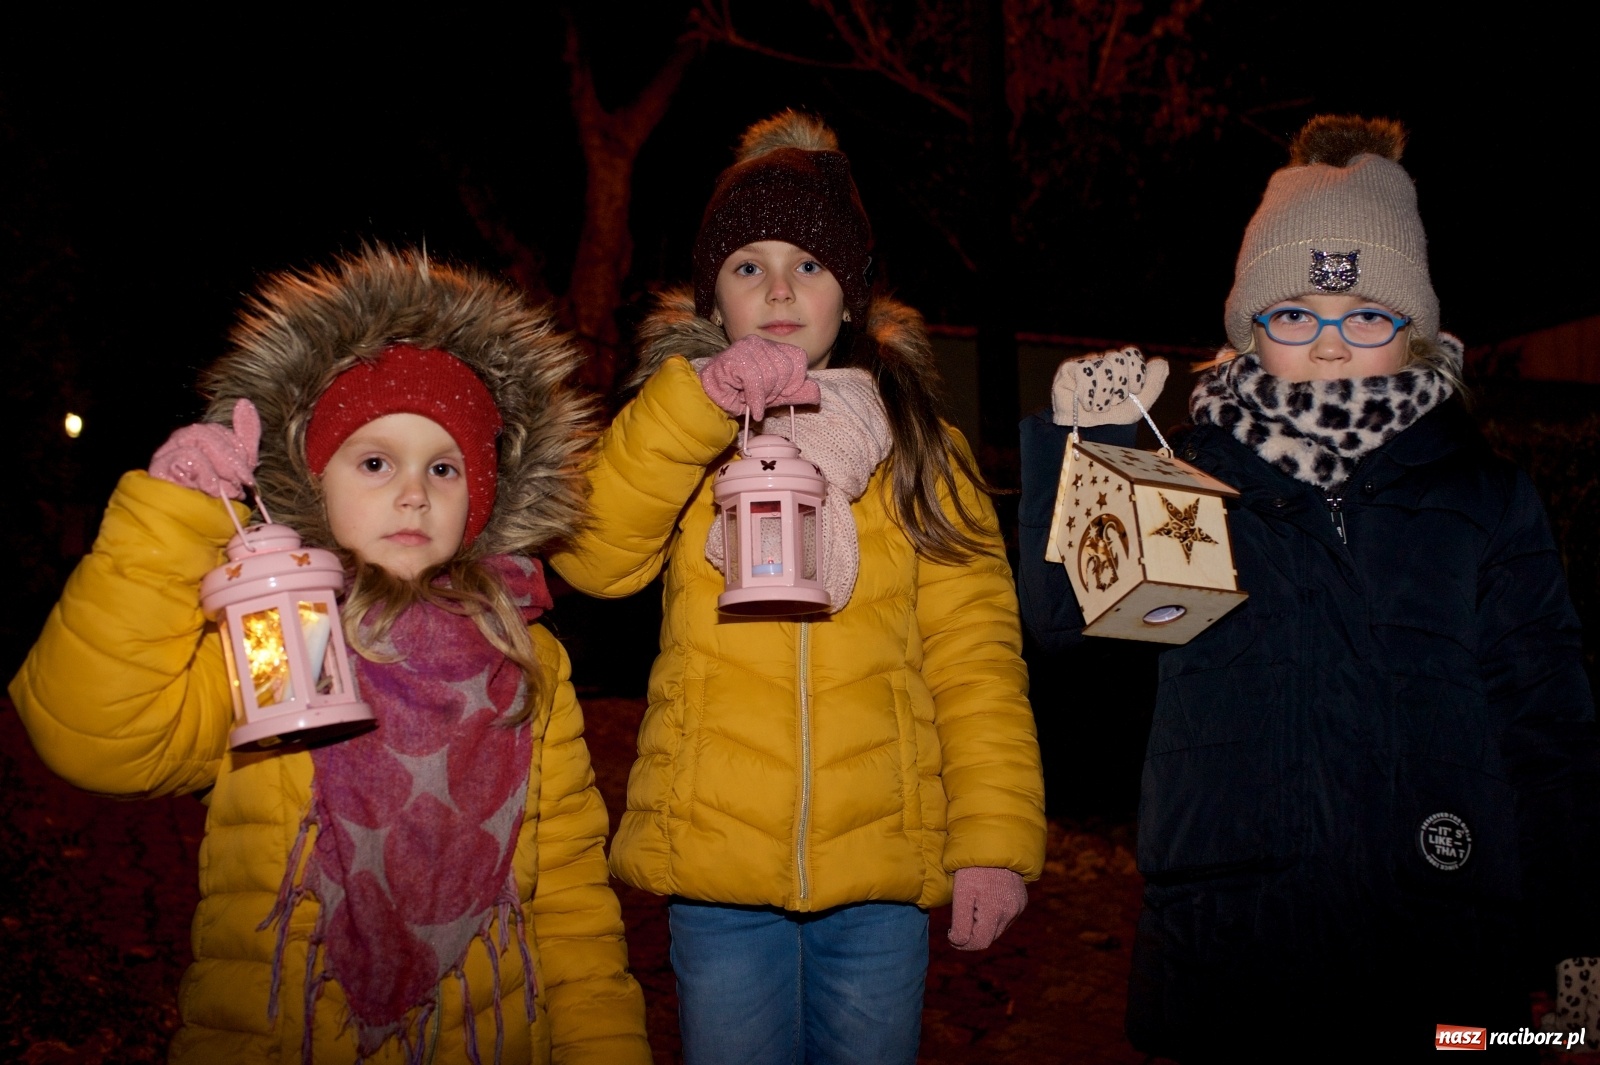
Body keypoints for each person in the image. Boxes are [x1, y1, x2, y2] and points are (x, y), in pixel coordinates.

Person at [1018, 116, 1599, 1060]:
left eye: (1368, 313)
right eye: (1295, 315)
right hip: (1233, 945)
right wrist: (1086, 447)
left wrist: (1576, 947)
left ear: (1415, 330)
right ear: (1253, 327)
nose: (1331, 345)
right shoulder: (1190, 479)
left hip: (1442, 945)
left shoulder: (1483, 497)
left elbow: (1549, 729)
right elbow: (1066, 622)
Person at [9, 246, 650, 1065]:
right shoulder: (274, 627)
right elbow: (96, 735)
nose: (412, 491)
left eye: (444, 467)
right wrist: (170, 518)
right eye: (375, 461)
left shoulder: (524, 658)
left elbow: (569, 901)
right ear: (313, 482)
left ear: (483, 498)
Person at [548, 111, 1046, 1065]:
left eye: (809, 265)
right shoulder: (683, 430)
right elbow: (595, 556)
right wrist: (696, 407)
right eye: (747, 266)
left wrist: (993, 838)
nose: (779, 288)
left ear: (851, 296)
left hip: (881, 876)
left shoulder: (919, 451)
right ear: (712, 300)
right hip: (719, 876)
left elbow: (977, 660)